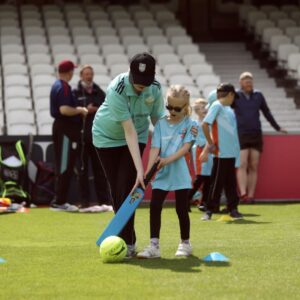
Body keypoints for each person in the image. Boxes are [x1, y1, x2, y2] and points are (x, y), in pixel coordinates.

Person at [92, 53, 165, 257]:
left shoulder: (155, 88)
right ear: (130, 73)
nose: (140, 86)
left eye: (145, 82)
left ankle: (128, 244)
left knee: (127, 186)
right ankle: (126, 239)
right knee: (118, 189)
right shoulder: (118, 88)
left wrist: (165, 149)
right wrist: (141, 171)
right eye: (137, 82)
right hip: (106, 138)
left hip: (138, 135)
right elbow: (128, 130)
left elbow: (159, 121)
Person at [137, 85, 196, 259]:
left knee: (181, 209)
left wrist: (166, 161)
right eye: (168, 106)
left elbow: (185, 149)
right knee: (155, 207)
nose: (172, 111)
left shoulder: (191, 125)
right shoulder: (161, 123)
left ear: (185, 107)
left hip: (180, 174)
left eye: (177, 108)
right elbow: (155, 148)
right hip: (162, 174)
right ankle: (154, 246)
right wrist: (147, 174)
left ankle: (185, 243)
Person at [235, 72, 287, 203]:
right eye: (246, 80)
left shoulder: (258, 95)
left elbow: (266, 112)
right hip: (240, 134)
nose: (248, 82)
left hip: (256, 134)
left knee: (253, 165)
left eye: (250, 80)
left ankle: (251, 196)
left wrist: (277, 127)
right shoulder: (235, 95)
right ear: (240, 82)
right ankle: (243, 194)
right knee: (242, 164)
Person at [50, 60, 88, 212]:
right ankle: (59, 201)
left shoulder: (58, 85)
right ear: (68, 72)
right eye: (72, 70)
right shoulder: (63, 87)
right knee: (65, 165)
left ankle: (60, 200)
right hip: (65, 129)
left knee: (64, 165)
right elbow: (64, 109)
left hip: (63, 129)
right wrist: (80, 110)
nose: (73, 73)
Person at [72, 65, 111, 212]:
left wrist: (95, 110)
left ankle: (104, 201)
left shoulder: (99, 91)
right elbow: (71, 110)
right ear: (81, 76)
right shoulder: (75, 92)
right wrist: (83, 111)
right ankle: (84, 202)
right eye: (86, 74)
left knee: (100, 171)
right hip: (81, 138)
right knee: (82, 171)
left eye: (91, 74)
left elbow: (107, 108)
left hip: (98, 138)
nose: (89, 76)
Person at [201, 83, 242, 221]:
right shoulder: (217, 105)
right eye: (233, 96)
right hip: (221, 153)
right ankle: (209, 211)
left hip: (230, 153)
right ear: (230, 94)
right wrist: (211, 144)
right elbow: (205, 124)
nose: (233, 99)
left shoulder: (229, 109)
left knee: (231, 183)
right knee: (216, 183)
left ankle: (233, 208)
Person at [188, 98, 213, 212]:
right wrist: (208, 144)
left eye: (205, 107)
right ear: (196, 111)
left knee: (208, 178)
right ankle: (186, 200)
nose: (204, 109)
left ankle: (204, 202)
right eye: (201, 108)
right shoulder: (195, 123)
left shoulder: (209, 122)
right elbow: (198, 139)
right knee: (200, 177)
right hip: (200, 150)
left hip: (208, 151)